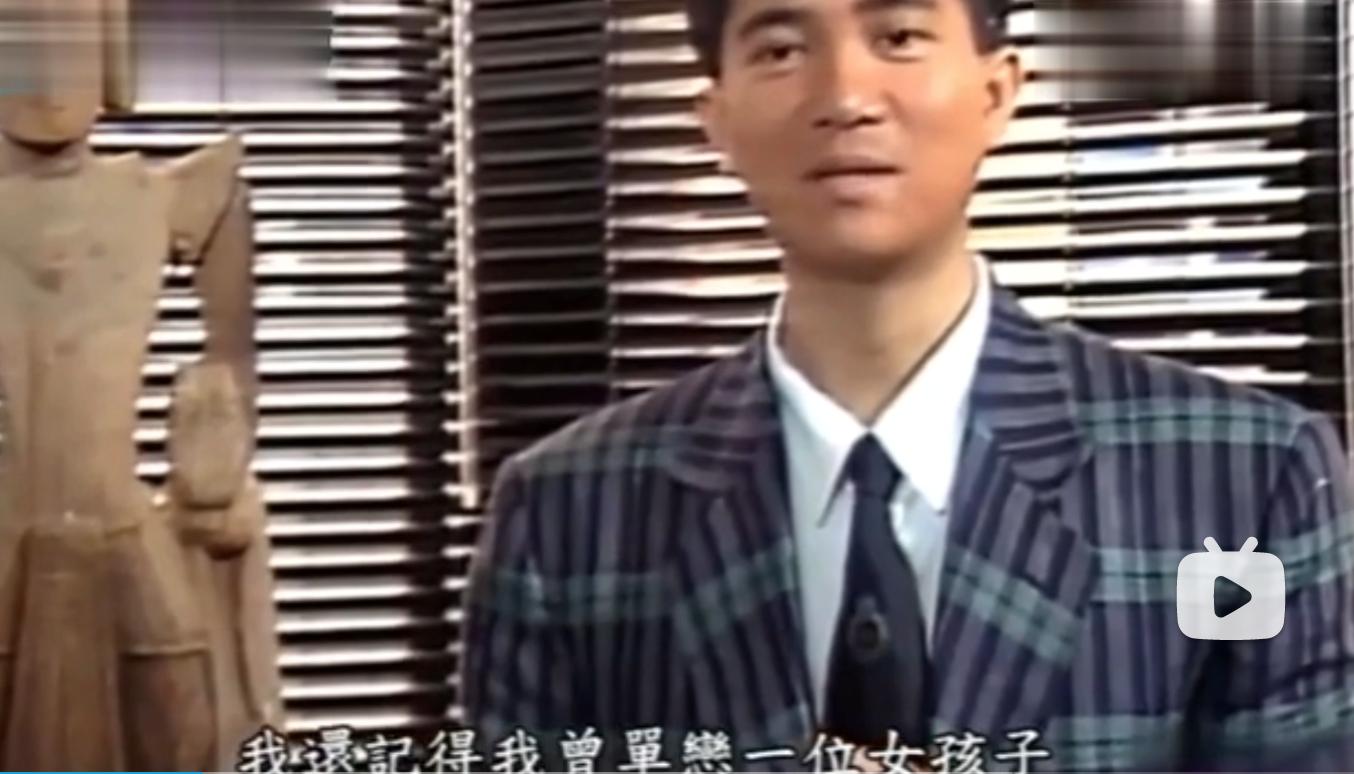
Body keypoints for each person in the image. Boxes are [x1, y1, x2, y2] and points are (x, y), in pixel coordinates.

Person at [461, 0, 1354, 769]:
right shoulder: (568, 515)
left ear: (997, 92)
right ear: (716, 119)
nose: (846, 97)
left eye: (897, 37)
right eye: (782, 49)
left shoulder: (1242, 483)